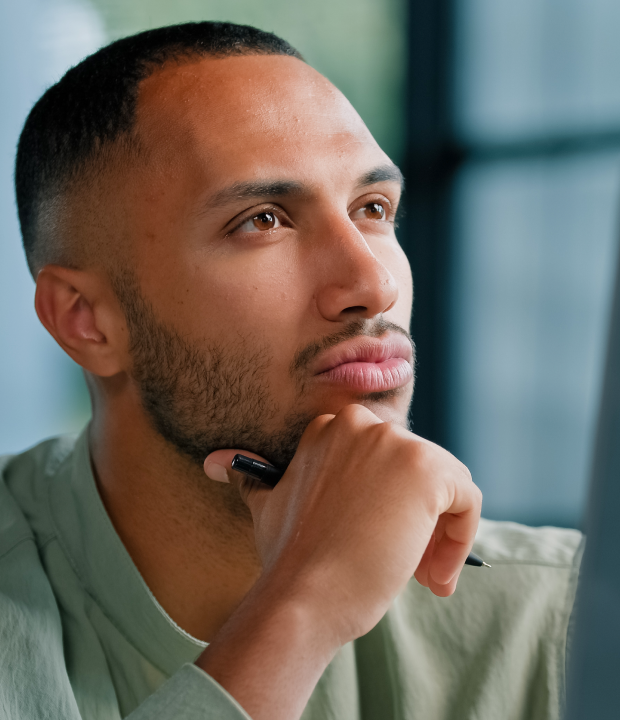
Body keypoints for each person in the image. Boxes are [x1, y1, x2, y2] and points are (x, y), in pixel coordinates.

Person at [0, 21, 582, 720]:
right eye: (263, 220)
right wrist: (303, 608)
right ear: (86, 320)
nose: (373, 283)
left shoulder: (565, 615)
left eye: (373, 209)